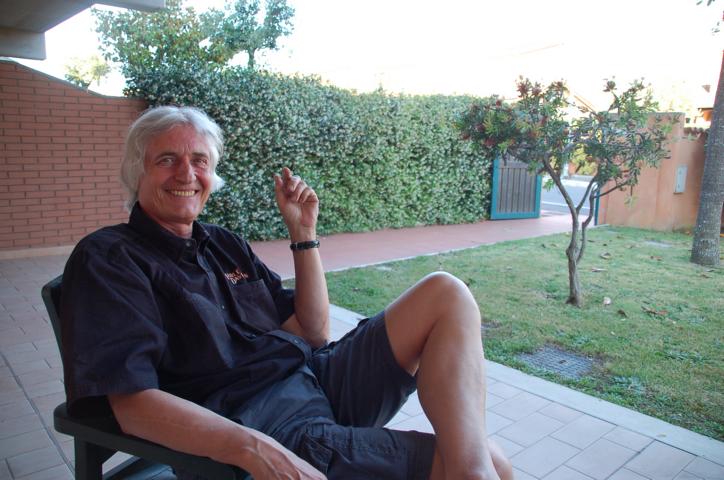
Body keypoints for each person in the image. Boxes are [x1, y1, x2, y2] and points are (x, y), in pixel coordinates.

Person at [60, 105, 513, 480]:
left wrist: (303, 234)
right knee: (496, 465)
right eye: (166, 160)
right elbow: (131, 405)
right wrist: (255, 448)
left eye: (199, 160)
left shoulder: (222, 243)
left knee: (445, 292)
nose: (187, 173)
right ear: (137, 172)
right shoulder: (110, 258)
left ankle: (470, 471)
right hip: (264, 424)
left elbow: (312, 332)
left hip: (312, 376)